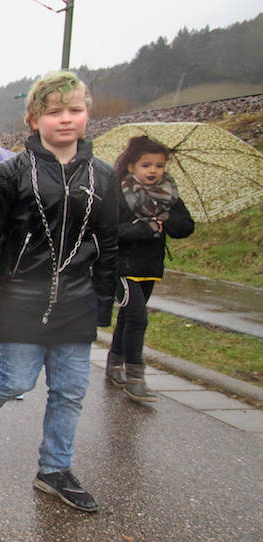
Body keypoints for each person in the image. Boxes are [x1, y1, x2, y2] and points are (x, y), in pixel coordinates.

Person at [0, 71, 118, 513]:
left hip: (77, 300)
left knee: (70, 389)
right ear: (34, 120)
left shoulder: (104, 176)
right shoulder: (10, 173)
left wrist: (103, 304)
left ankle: (54, 470)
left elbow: (108, 244)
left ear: (87, 115)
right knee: (17, 380)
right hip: (22, 297)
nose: (65, 119)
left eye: (75, 110)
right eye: (54, 112)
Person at [106, 136, 195, 402]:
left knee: (128, 317)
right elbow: (109, 232)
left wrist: (166, 219)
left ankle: (114, 364)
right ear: (131, 167)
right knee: (138, 317)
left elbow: (186, 227)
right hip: (120, 267)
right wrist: (147, 228)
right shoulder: (118, 194)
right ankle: (135, 377)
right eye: (146, 165)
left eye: (159, 165)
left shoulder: (169, 196)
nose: (153, 171)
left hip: (149, 267)